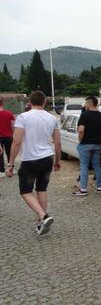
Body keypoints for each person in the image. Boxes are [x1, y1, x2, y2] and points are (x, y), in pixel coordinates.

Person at [6, 91, 61, 235]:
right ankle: (41, 224)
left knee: (25, 191)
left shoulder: (23, 117)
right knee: (41, 189)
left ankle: (43, 216)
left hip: (30, 159)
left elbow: (16, 142)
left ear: (29, 102)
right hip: (47, 158)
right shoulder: (52, 118)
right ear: (44, 102)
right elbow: (58, 142)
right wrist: (57, 161)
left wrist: (10, 164)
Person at [72, 96, 101, 196]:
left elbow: (81, 130)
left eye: (86, 103)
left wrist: (80, 140)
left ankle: (83, 189)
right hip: (98, 144)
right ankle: (99, 188)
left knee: (84, 166)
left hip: (85, 144)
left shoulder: (84, 115)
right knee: (97, 165)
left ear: (89, 103)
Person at [0, 99, 15, 177]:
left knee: (0, 154)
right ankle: (10, 169)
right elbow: (13, 126)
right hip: (8, 136)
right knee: (9, 153)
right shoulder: (9, 113)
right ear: (2, 104)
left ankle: (1, 170)